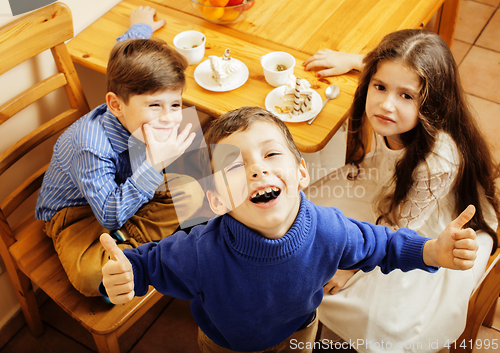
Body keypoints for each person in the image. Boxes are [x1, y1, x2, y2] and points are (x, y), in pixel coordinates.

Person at [100, 106, 479, 353]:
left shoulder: (329, 229)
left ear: (301, 173)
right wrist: (121, 274)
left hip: (301, 334)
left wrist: (430, 251)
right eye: (233, 165)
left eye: (271, 153)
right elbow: (145, 263)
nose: (255, 169)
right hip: (225, 346)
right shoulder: (199, 250)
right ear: (215, 201)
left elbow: (382, 244)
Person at [302, 29, 500, 352]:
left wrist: (349, 268)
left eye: (406, 96)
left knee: (377, 318)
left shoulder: (438, 160)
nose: (385, 104)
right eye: (379, 87)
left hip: (427, 220)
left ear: (431, 104)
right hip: (389, 183)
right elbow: (392, 70)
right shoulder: (396, 109)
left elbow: (400, 228)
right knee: (307, 219)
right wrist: (352, 61)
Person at [35, 6, 205, 297]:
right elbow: (108, 217)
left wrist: (140, 28)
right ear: (115, 105)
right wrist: (154, 163)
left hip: (124, 189)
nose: (170, 117)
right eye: (155, 106)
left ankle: (128, 247)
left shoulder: (136, 112)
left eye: (175, 104)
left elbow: (122, 49)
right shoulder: (90, 145)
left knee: (195, 192)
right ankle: (134, 248)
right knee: (93, 278)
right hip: (77, 215)